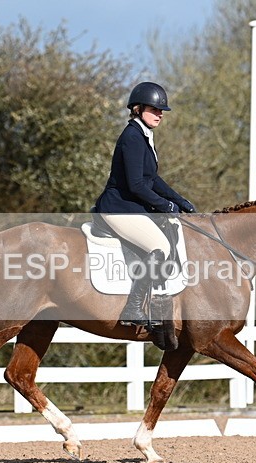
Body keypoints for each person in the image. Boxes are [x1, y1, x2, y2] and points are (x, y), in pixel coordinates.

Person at [94, 81, 196, 327]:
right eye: (154, 109)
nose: (160, 114)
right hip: (118, 209)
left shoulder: (143, 135)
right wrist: (165, 206)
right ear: (138, 108)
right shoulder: (132, 136)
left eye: (161, 110)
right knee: (159, 246)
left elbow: (153, 179)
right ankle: (133, 308)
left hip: (131, 208)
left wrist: (179, 200)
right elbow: (136, 185)